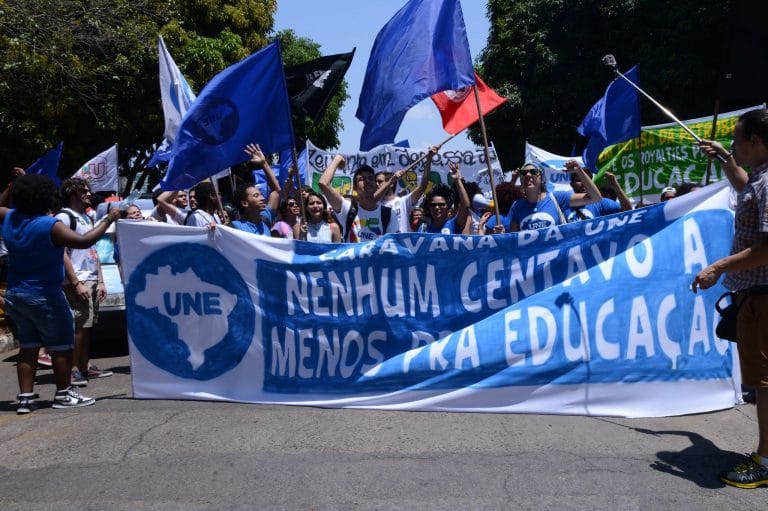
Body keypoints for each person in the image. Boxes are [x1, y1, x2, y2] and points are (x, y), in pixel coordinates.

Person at [693, 108, 768, 489]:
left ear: (756, 141)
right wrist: (724, 159)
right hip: (754, 297)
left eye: (737, 140)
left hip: (763, 298)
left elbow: (767, 248)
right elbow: (745, 189)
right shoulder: (759, 178)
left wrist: (718, 267)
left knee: (765, 385)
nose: (733, 146)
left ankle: (766, 461)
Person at [1, 173, 120, 413]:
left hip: (16, 294)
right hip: (46, 294)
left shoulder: (10, 218)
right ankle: (63, 394)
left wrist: (11, 187)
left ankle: (25, 399)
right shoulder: (50, 225)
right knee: (62, 346)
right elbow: (84, 241)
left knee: (28, 346)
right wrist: (109, 219)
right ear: (46, 197)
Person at [56, 178, 113, 386]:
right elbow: (62, 253)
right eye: (84, 191)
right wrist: (75, 282)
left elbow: (93, 251)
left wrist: (101, 280)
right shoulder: (65, 216)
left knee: (86, 326)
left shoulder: (85, 218)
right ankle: (71, 371)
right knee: (78, 327)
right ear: (72, 193)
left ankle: (83, 367)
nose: (89, 194)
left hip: (90, 278)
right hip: (77, 280)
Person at [504, 160, 601, 232]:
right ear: (521, 179)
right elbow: (513, 242)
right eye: (523, 173)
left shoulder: (557, 198)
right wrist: (500, 233)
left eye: (533, 172)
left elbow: (595, 197)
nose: (528, 175)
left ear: (541, 178)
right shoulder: (516, 206)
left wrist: (579, 171)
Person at [319, 156, 399, 242]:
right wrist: (337, 159)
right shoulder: (347, 209)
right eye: (362, 179)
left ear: (376, 186)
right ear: (355, 188)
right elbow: (323, 183)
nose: (367, 181)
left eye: (371, 178)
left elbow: (393, 245)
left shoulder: (389, 214)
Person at [372, 146, 434, 232]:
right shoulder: (374, 204)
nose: (376, 184)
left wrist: (429, 160)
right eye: (375, 181)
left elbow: (423, 186)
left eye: (380, 181)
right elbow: (372, 199)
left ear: (391, 184)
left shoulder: (403, 202)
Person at [419, 162, 470, 234]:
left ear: (447, 207)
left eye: (441, 204)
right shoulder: (423, 228)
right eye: (433, 205)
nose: (437, 207)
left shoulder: (454, 224)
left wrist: (457, 180)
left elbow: (465, 206)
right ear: (429, 208)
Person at [565, 169, 632, 222]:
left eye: (587, 180)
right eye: (579, 180)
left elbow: (628, 210)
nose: (584, 183)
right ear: (571, 184)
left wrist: (615, 186)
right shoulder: (562, 203)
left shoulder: (600, 202)